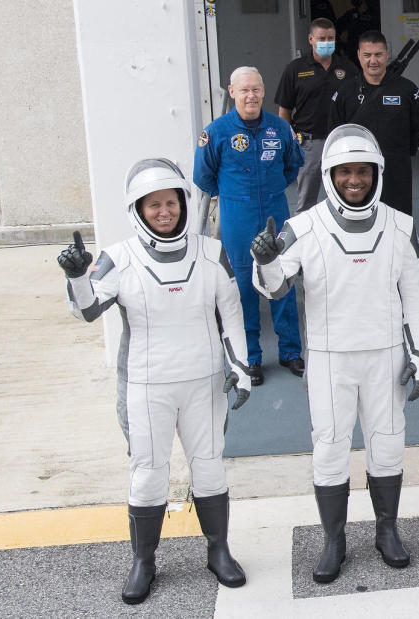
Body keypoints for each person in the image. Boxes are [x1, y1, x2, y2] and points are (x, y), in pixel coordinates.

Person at [56, 158, 254, 604]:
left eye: (171, 202)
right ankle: (144, 561)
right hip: (148, 385)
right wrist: (76, 277)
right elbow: (86, 310)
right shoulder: (118, 258)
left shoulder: (211, 251)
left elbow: (232, 313)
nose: (164, 212)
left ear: (184, 204)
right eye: (153, 205)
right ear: (138, 210)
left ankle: (219, 550)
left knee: (209, 466)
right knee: (148, 475)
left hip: (203, 381)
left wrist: (240, 367)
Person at [250, 124, 419, 583]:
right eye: (345, 171)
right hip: (330, 359)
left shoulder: (400, 226)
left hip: (386, 357)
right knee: (329, 450)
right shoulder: (302, 227)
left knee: (387, 448)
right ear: (329, 174)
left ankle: (387, 531)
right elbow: (274, 288)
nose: (355, 180)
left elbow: (415, 298)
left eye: (363, 171)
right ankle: (334, 540)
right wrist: (267, 261)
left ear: (377, 173)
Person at [194, 66, 305, 385]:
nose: (251, 95)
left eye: (256, 89)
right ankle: (250, 358)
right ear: (232, 92)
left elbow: (292, 167)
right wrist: (234, 196)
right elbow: (203, 176)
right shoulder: (216, 132)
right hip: (237, 217)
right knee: (242, 288)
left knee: (281, 280)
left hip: (274, 212)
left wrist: (268, 192)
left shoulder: (279, 128)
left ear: (263, 91)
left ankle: (290, 352)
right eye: (244, 90)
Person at [328, 30, 419, 216]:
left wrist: (399, 152)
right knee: (359, 218)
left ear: (387, 54)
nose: (373, 61)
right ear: (358, 55)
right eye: (367, 55)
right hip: (357, 172)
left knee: (397, 218)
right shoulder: (345, 92)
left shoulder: (407, 89)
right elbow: (335, 131)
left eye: (378, 55)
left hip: (396, 170)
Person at [275, 18, 358, 212]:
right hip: (308, 144)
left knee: (345, 197)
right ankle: (304, 241)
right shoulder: (295, 69)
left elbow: (357, 106)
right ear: (311, 39)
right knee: (306, 202)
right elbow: (284, 110)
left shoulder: (348, 68)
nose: (326, 43)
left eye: (331, 38)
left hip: (340, 142)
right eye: (322, 38)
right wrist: (289, 142)